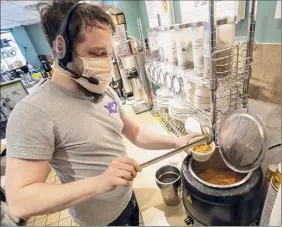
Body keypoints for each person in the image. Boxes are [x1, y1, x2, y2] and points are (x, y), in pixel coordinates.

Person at [5, 0, 200, 226]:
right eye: (97, 53)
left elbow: (135, 133)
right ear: (62, 49)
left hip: (128, 200)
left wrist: (177, 142)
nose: (106, 63)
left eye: (108, 53)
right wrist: (101, 182)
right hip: (100, 221)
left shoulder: (101, 89)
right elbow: (21, 201)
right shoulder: (33, 112)